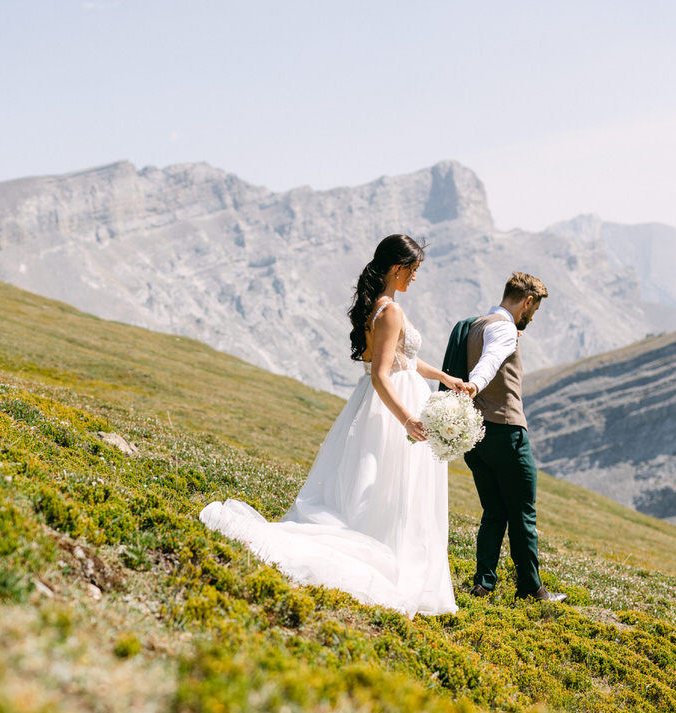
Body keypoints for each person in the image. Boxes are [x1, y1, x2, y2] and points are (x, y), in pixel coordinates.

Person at [199, 234, 474, 617]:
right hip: (393, 405)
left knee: (379, 484)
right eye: (413, 271)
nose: (415, 278)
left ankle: (386, 551)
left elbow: (404, 359)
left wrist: (445, 379)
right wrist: (407, 419)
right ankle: (384, 560)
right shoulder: (390, 311)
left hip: (382, 403)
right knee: (390, 486)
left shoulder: (379, 307)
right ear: (398, 269)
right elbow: (382, 374)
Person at [460, 273, 565, 602]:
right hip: (506, 431)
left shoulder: (476, 324)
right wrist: (474, 385)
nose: (532, 318)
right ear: (527, 301)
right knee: (523, 513)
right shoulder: (505, 328)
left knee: (494, 511)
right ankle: (532, 588)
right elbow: (491, 362)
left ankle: (483, 583)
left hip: (476, 434)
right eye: (534, 310)